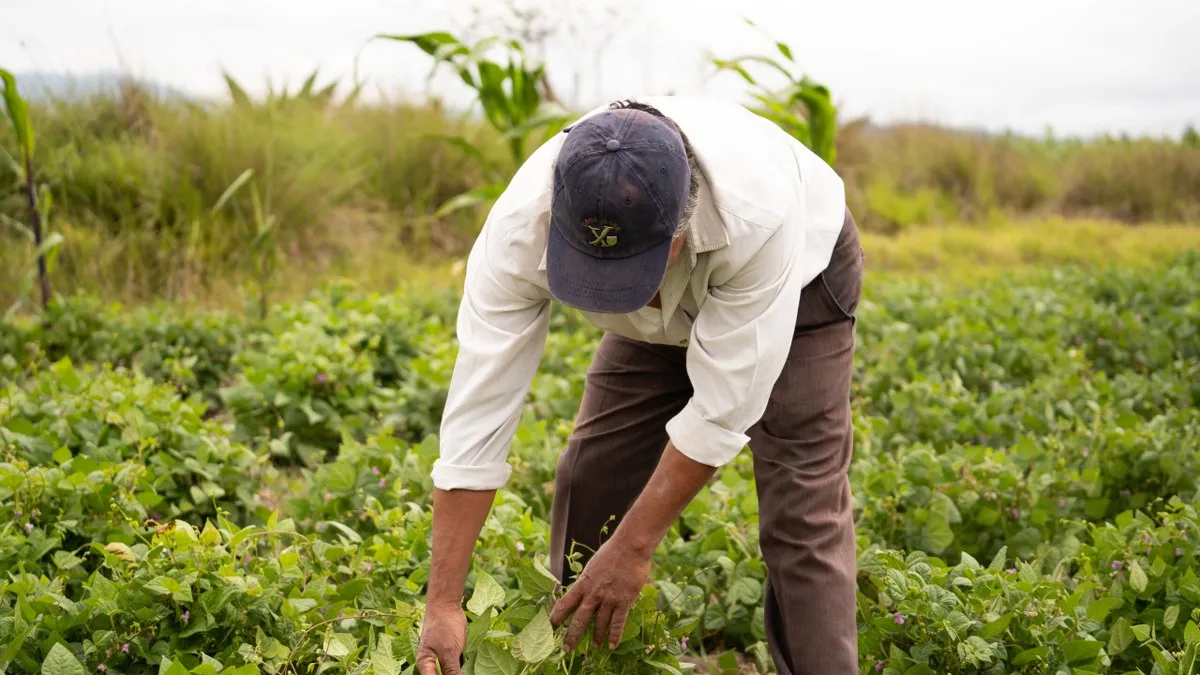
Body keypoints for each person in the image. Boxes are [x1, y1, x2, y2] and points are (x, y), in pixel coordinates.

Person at [415, 95, 864, 675]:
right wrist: (443, 601)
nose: (627, 293)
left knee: (800, 509)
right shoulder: (520, 228)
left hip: (799, 286)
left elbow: (723, 411)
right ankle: (578, 653)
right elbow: (478, 412)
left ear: (679, 235)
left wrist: (632, 549)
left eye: (629, 273)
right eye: (591, 271)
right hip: (673, 295)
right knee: (594, 470)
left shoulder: (758, 215)